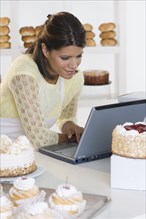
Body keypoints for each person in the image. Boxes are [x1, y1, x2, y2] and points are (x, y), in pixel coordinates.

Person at [0, 11, 86, 150]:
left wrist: (70, 127)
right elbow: (39, 139)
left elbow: (66, 116)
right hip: (5, 152)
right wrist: (72, 140)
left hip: (29, 152)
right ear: (45, 50)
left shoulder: (75, 78)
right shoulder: (23, 73)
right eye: (65, 58)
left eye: (79, 56)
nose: (74, 64)